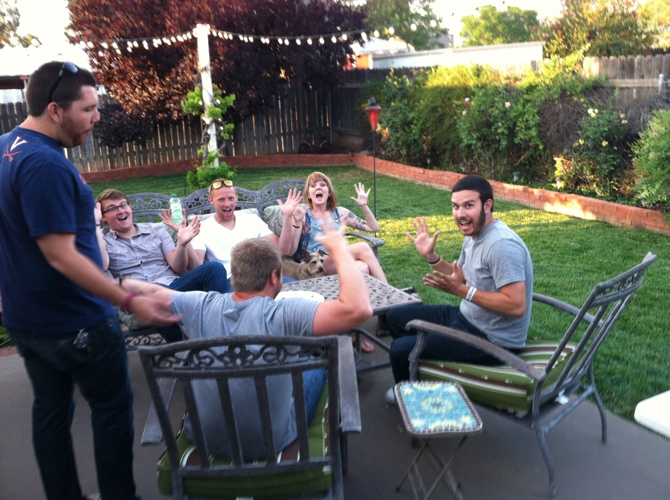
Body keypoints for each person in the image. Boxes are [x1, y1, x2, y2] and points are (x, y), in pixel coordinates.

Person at [0, 61, 179, 500]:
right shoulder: (45, 164)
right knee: (111, 412)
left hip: (28, 320)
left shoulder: (6, 147)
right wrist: (127, 299)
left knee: (50, 414)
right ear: (55, 110)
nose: (97, 117)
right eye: (88, 109)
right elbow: (60, 255)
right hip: (76, 320)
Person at [120, 225, 373, 459]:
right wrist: (339, 249)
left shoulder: (199, 304)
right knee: (315, 363)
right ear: (274, 277)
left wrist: (125, 284)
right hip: (272, 440)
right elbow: (358, 309)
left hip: (205, 438)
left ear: (235, 277)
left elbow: (152, 291)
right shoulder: (288, 312)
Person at [384, 175, 534, 404]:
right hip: (466, 317)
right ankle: (421, 373)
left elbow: (516, 305)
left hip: (493, 340)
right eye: (455, 206)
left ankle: (411, 395)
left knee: (399, 349)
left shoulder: (501, 245)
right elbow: (459, 276)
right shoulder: (474, 235)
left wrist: (463, 292)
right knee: (395, 317)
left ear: (487, 205)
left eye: (468, 205)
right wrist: (431, 256)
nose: (460, 214)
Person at [97, 188, 230, 342]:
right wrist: (95, 225)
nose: (120, 211)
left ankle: (214, 330)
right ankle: (184, 345)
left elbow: (178, 267)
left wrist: (182, 243)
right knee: (152, 296)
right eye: (112, 208)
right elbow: (103, 265)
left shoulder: (156, 230)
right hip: (139, 295)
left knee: (214, 268)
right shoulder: (102, 239)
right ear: (103, 217)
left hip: (173, 286)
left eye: (123, 205)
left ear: (130, 207)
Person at [280, 171, 387, 353]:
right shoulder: (303, 214)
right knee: (363, 248)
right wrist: (294, 221)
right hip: (313, 266)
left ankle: (353, 332)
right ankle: (388, 303)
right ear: (309, 194)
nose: (318, 188)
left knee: (362, 267)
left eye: (322, 185)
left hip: (338, 263)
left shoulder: (340, 213)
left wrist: (364, 206)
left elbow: (373, 227)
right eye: (313, 186)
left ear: (329, 191)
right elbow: (288, 252)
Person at [189, 178, 299, 284]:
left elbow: (282, 250)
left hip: (262, 277)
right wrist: (184, 242)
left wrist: (287, 216)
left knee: (297, 289)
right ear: (211, 200)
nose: (227, 204)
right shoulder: (201, 228)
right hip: (230, 282)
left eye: (231, 198)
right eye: (221, 200)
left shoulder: (251, 219)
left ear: (236, 198)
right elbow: (196, 266)